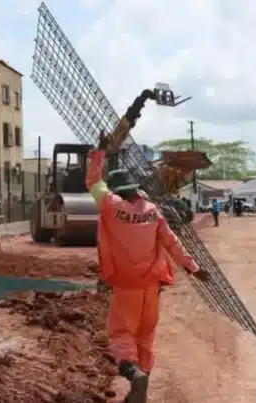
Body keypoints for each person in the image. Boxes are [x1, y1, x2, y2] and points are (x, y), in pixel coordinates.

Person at [85, 132, 207, 403]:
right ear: (135, 188)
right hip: (151, 287)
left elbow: (93, 180)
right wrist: (193, 267)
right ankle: (140, 391)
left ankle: (133, 374)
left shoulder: (109, 204)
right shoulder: (153, 210)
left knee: (121, 334)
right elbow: (172, 242)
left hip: (125, 285)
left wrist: (99, 152)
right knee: (146, 337)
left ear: (116, 190)